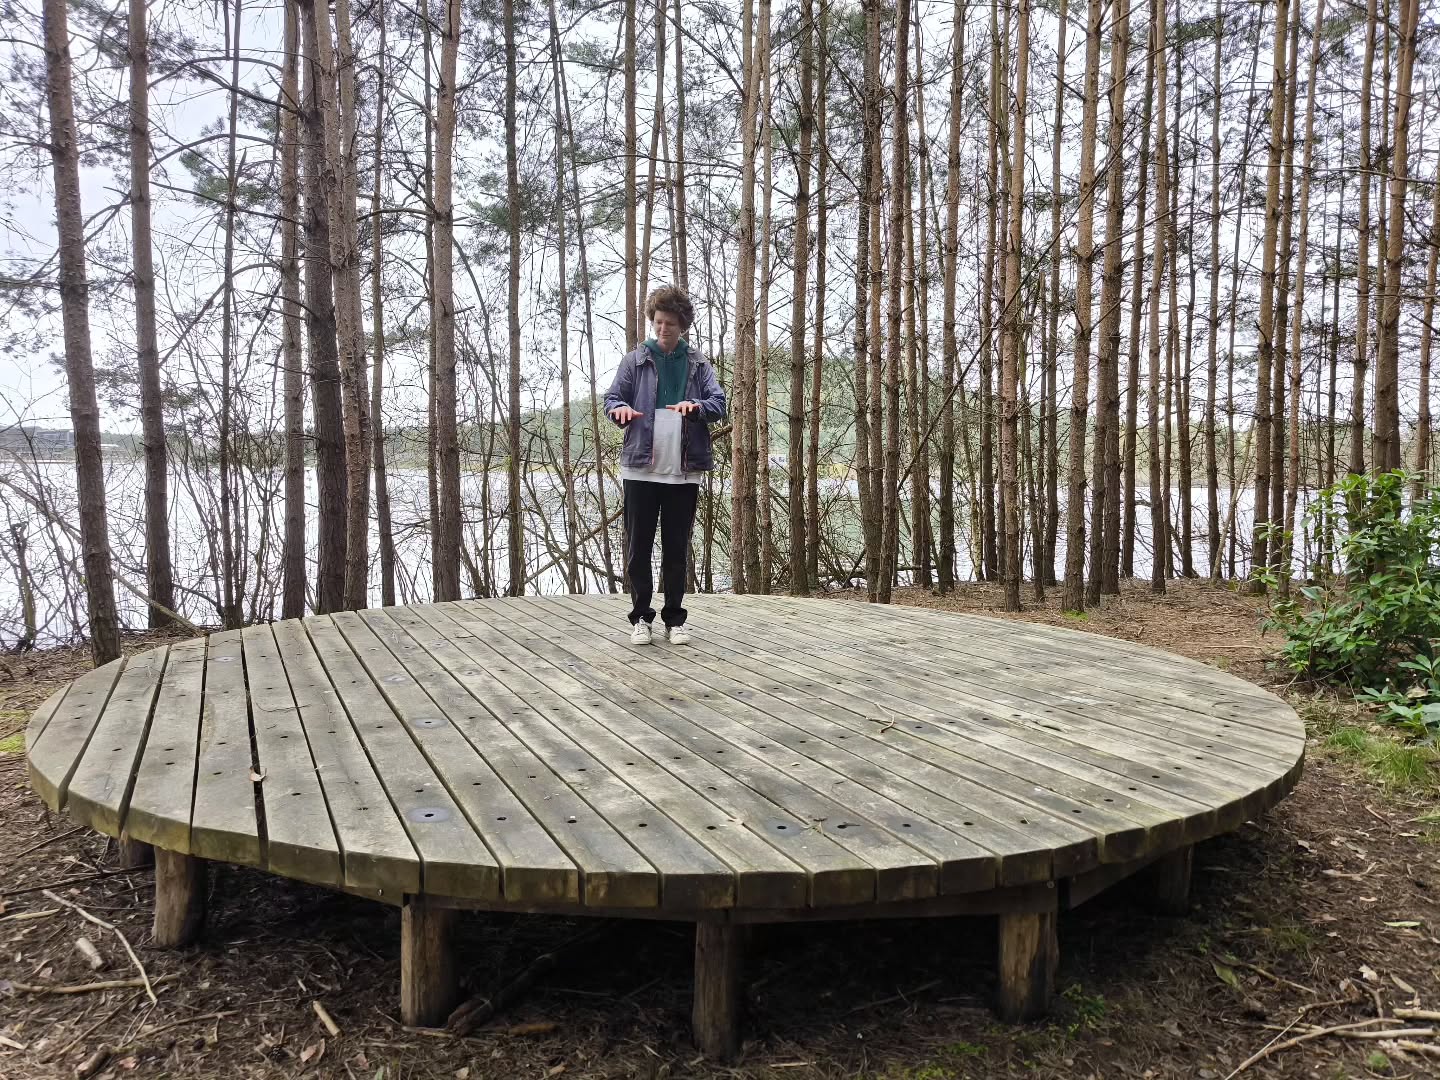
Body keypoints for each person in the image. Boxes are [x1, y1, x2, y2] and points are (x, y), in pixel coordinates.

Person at [604, 286, 726, 645]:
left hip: (684, 470)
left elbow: (718, 403)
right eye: (657, 322)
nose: (662, 329)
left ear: (682, 324)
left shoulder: (699, 364)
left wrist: (697, 407)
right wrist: (619, 411)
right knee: (638, 548)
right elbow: (612, 398)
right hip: (640, 467)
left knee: (676, 548)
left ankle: (675, 619)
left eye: (669, 323)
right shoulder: (635, 360)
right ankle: (641, 618)